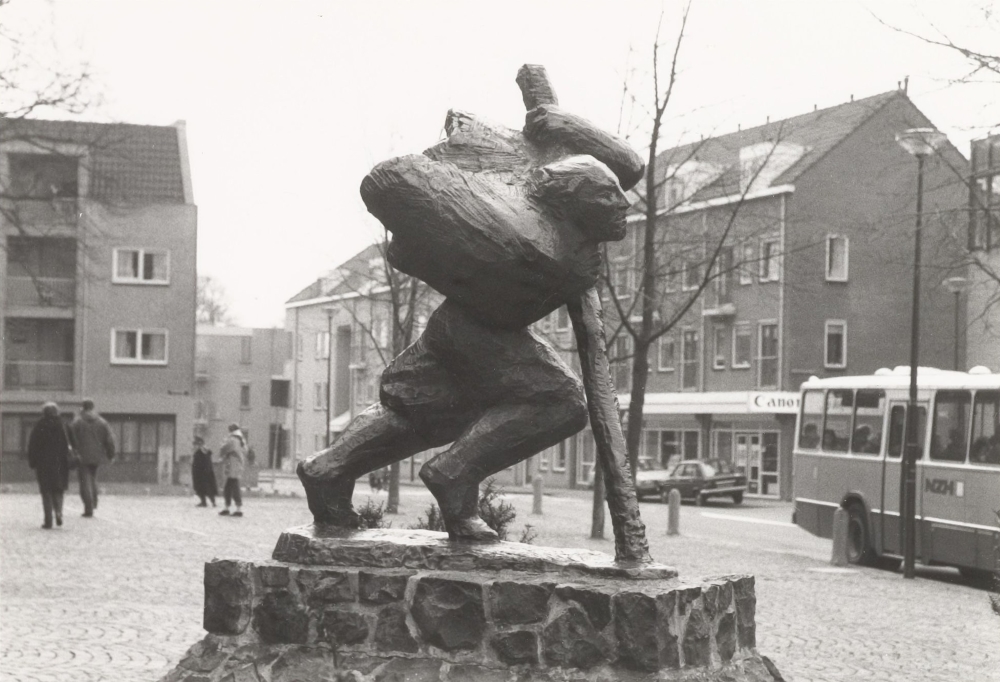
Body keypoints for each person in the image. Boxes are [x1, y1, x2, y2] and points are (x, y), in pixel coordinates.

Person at [27, 402, 72, 529]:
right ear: (57, 412)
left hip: (43, 464)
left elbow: (32, 445)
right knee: (59, 489)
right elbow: (73, 442)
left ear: (44, 412)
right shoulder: (64, 425)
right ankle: (59, 512)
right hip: (61, 463)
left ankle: (48, 521)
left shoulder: (39, 425)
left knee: (46, 491)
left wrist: (32, 462)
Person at [68, 398, 116, 518]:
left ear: (82, 408)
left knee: (84, 481)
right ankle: (94, 501)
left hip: (82, 456)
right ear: (93, 407)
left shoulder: (77, 422)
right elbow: (110, 440)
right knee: (93, 478)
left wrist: (72, 452)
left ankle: (88, 507)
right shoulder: (102, 422)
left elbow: (70, 437)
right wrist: (111, 455)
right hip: (97, 456)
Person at [218, 423, 246, 517]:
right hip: (235, 464)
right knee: (229, 487)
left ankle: (237, 508)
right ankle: (227, 507)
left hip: (233, 464)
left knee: (233, 487)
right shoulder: (241, 439)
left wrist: (222, 447)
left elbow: (224, 448)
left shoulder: (233, 439)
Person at [191, 436, 217, 507]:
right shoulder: (206, 451)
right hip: (207, 473)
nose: (194, 446)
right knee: (208, 488)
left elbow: (197, 463)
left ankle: (204, 502)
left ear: (199, 444)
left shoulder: (199, 452)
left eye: (195, 444)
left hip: (200, 473)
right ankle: (212, 502)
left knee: (201, 488)